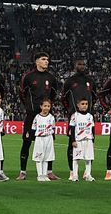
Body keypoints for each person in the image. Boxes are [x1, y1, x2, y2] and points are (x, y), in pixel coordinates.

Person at [17, 52, 60, 181]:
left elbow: (53, 95)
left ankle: (49, 172)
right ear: (37, 62)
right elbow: (22, 93)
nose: (46, 61)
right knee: (26, 142)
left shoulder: (51, 78)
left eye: (47, 59)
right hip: (32, 115)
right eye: (43, 59)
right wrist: (30, 106)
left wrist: (46, 107)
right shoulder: (29, 77)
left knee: (49, 143)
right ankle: (22, 172)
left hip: (46, 116)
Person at [62, 59, 98, 176]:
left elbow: (95, 97)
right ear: (75, 66)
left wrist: (90, 109)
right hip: (75, 116)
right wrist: (71, 110)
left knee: (90, 142)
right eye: (79, 64)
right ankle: (72, 171)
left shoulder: (90, 81)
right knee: (72, 142)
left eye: (83, 64)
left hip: (88, 117)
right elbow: (63, 98)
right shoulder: (70, 81)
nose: (82, 66)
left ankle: (87, 172)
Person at [68, 98, 95, 182]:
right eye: (82, 104)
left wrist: (93, 141)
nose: (84, 105)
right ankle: (75, 176)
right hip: (78, 140)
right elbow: (71, 129)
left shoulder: (90, 116)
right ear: (78, 105)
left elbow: (93, 129)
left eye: (86, 104)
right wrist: (73, 140)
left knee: (88, 158)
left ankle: (88, 175)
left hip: (88, 140)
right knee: (76, 158)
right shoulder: (74, 116)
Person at [32, 99, 56, 182]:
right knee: (39, 157)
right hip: (39, 138)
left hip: (48, 138)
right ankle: (40, 175)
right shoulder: (37, 117)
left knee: (46, 157)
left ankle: (45, 174)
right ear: (41, 106)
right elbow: (33, 128)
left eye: (48, 106)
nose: (46, 108)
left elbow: (53, 128)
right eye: (45, 106)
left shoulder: (51, 117)